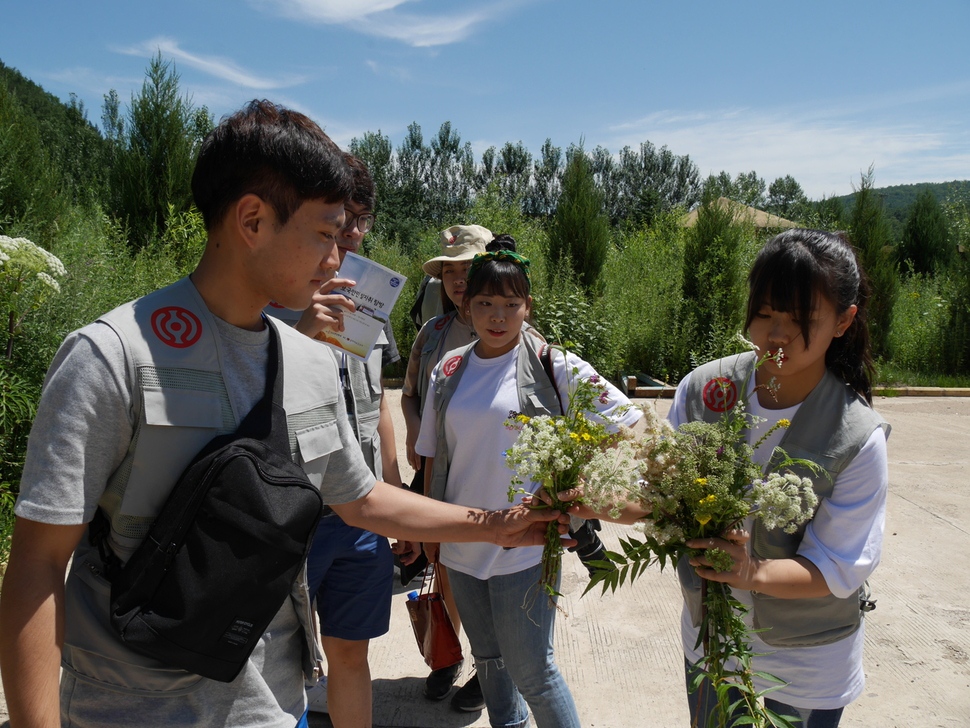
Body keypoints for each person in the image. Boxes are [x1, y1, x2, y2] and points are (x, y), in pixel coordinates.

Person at [0, 100, 568, 728]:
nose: (338, 258)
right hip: (131, 708)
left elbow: (361, 501)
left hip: (271, 707)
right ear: (252, 220)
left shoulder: (308, 362)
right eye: (326, 234)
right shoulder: (111, 357)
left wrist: (496, 525)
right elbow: (37, 564)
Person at [575, 229, 890, 727]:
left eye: (802, 318)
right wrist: (594, 498)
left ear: (844, 321)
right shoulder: (706, 388)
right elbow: (662, 492)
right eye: (765, 313)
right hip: (714, 643)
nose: (777, 334)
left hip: (808, 657)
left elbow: (838, 568)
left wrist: (751, 573)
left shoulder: (857, 435)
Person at [415, 250, 642, 728]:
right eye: (484, 304)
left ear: (528, 307)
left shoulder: (552, 363)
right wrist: (426, 530)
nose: (497, 317)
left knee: (533, 671)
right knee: (490, 661)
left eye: (510, 305)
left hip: (527, 545)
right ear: (465, 307)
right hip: (464, 539)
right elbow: (432, 454)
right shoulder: (449, 369)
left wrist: (578, 482)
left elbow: (628, 424)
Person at [264, 152, 407, 726]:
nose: (351, 232)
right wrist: (302, 333)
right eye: (341, 217)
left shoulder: (373, 297)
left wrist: (394, 487)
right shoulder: (266, 299)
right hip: (294, 517)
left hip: (364, 515)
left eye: (361, 219)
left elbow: (380, 408)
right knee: (277, 662)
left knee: (352, 654)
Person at [400, 223, 493, 705]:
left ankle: (490, 668)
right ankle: (447, 655)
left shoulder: (513, 331)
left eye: (468, 269)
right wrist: (416, 430)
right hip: (439, 473)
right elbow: (410, 395)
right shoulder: (432, 334)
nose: (459, 280)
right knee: (446, 564)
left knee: (488, 572)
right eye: (450, 272)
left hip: (491, 474)